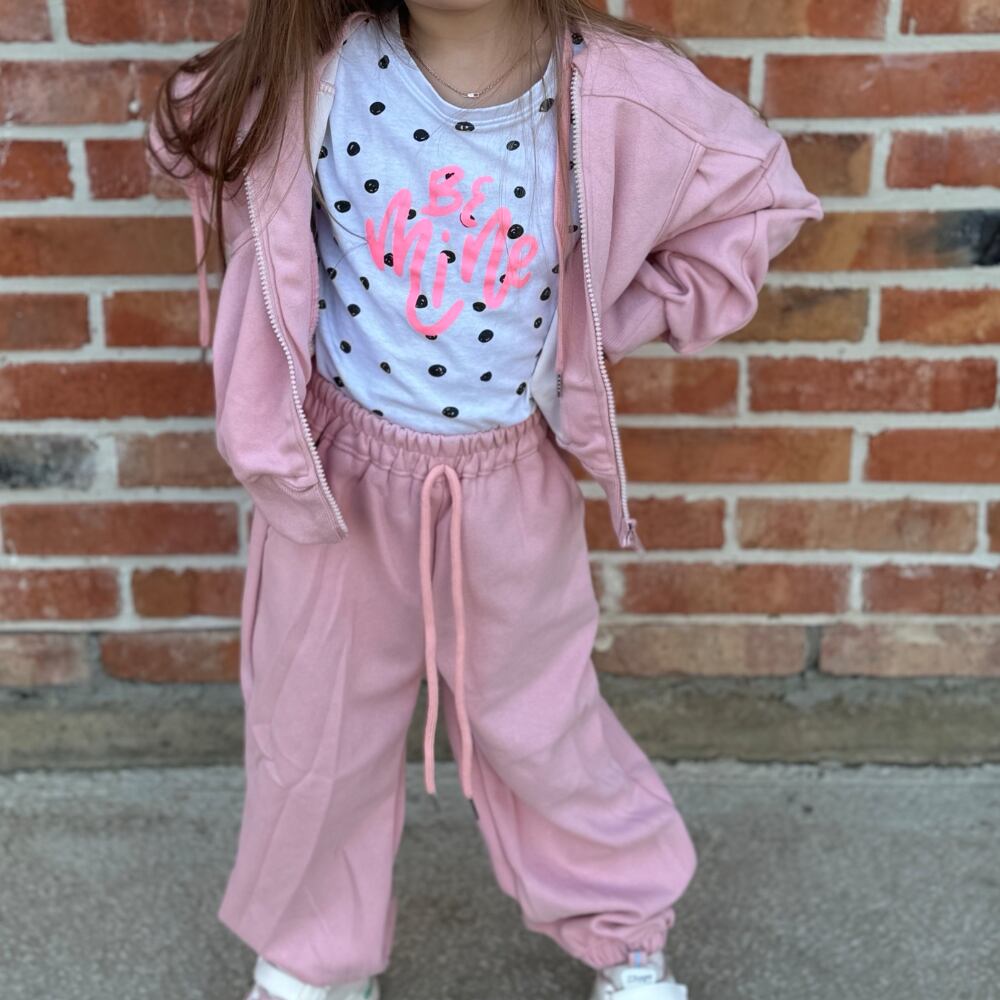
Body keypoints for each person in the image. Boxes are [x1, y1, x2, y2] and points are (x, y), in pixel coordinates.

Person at [146, 2, 823, 998]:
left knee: (543, 726)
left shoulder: (620, 91)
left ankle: (625, 933)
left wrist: (603, 323)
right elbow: (185, 130)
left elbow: (760, 196)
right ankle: (311, 955)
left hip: (508, 485)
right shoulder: (316, 72)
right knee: (313, 729)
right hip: (334, 482)